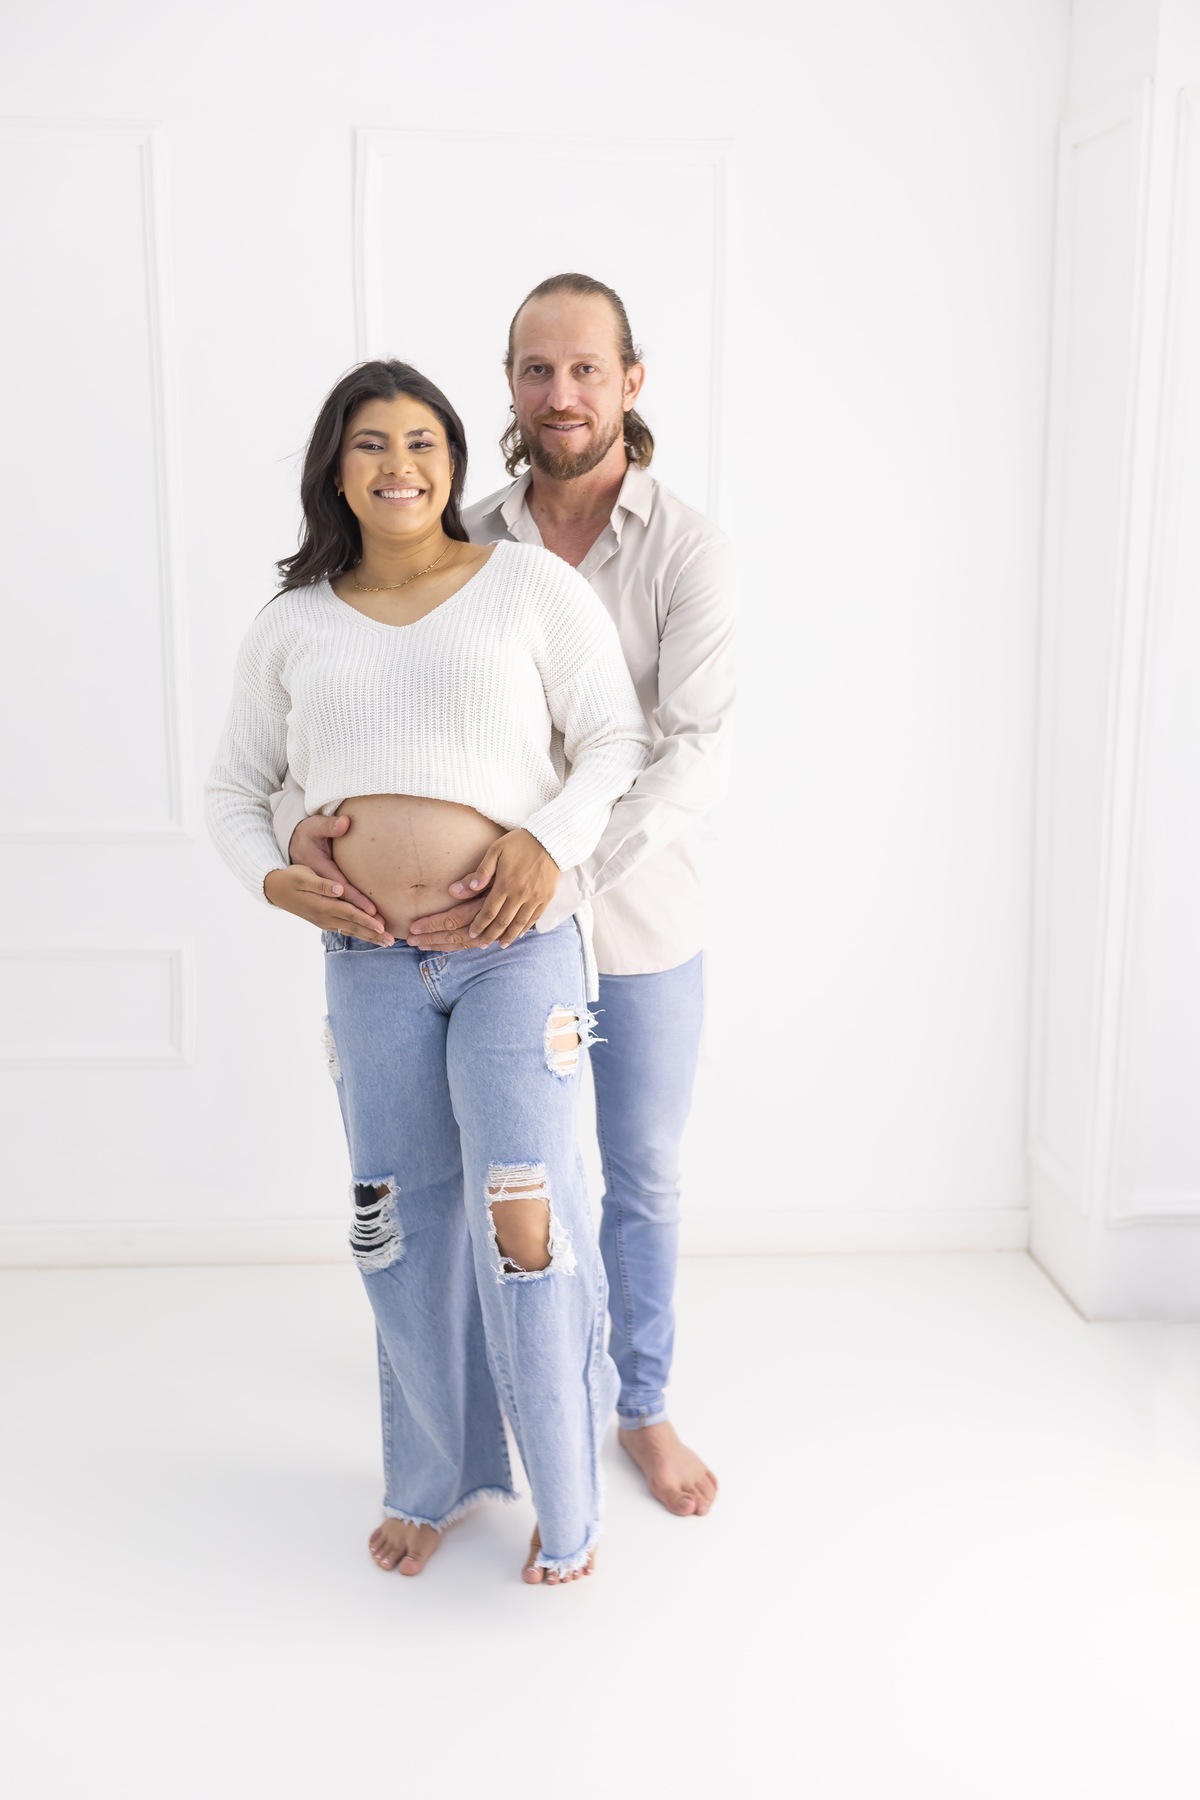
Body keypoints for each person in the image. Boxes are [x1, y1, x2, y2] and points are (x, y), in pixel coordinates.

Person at [274, 275, 737, 1519]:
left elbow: (684, 749)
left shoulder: (685, 546)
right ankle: (488, 1421)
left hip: (628, 919)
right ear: (511, 390)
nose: (562, 393)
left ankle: (636, 1406)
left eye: (587, 369)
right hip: (469, 945)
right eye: (537, 370)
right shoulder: (464, 539)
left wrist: (551, 870)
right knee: (507, 1180)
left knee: (633, 1173)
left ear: (631, 382)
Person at [205, 359, 651, 1585]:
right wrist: (273, 875)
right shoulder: (291, 623)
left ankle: (569, 1504)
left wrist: (542, 844)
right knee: (399, 1231)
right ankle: (434, 1479)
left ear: (454, 462)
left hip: (517, 959)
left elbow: (615, 738)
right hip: (371, 965)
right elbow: (234, 791)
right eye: (370, 443)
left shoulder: (523, 587)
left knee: (524, 1223)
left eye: (423, 441)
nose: (399, 463)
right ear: (333, 469)